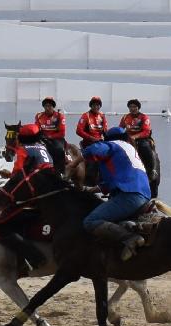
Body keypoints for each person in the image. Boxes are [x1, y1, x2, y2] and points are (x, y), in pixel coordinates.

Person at [0, 124, 54, 271]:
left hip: (34, 194)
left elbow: (19, 176)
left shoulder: (23, 150)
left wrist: (10, 176)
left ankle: (31, 259)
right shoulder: (43, 147)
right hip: (50, 189)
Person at [80, 126, 151, 261]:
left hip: (129, 195)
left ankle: (131, 238)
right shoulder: (128, 149)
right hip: (141, 194)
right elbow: (110, 183)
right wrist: (89, 189)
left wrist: (75, 159)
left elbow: (94, 149)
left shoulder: (113, 145)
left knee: (91, 221)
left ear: (108, 139)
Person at [120, 98, 159, 198]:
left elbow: (146, 131)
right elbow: (120, 129)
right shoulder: (125, 117)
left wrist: (135, 136)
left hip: (142, 139)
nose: (132, 108)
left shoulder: (144, 117)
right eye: (131, 107)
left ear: (138, 108)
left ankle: (152, 170)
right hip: (128, 140)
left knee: (146, 148)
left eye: (135, 107)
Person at [34, 97, 68, 175]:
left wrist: (49, 137)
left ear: (53, 107)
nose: (48, 108)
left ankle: (61, 171)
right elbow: (36, 128)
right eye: (46, 106)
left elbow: (62, 133)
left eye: (50, 106)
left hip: (57, 139)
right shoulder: (39, 116)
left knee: (59, 150)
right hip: (42, 138)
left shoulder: (59, 116)